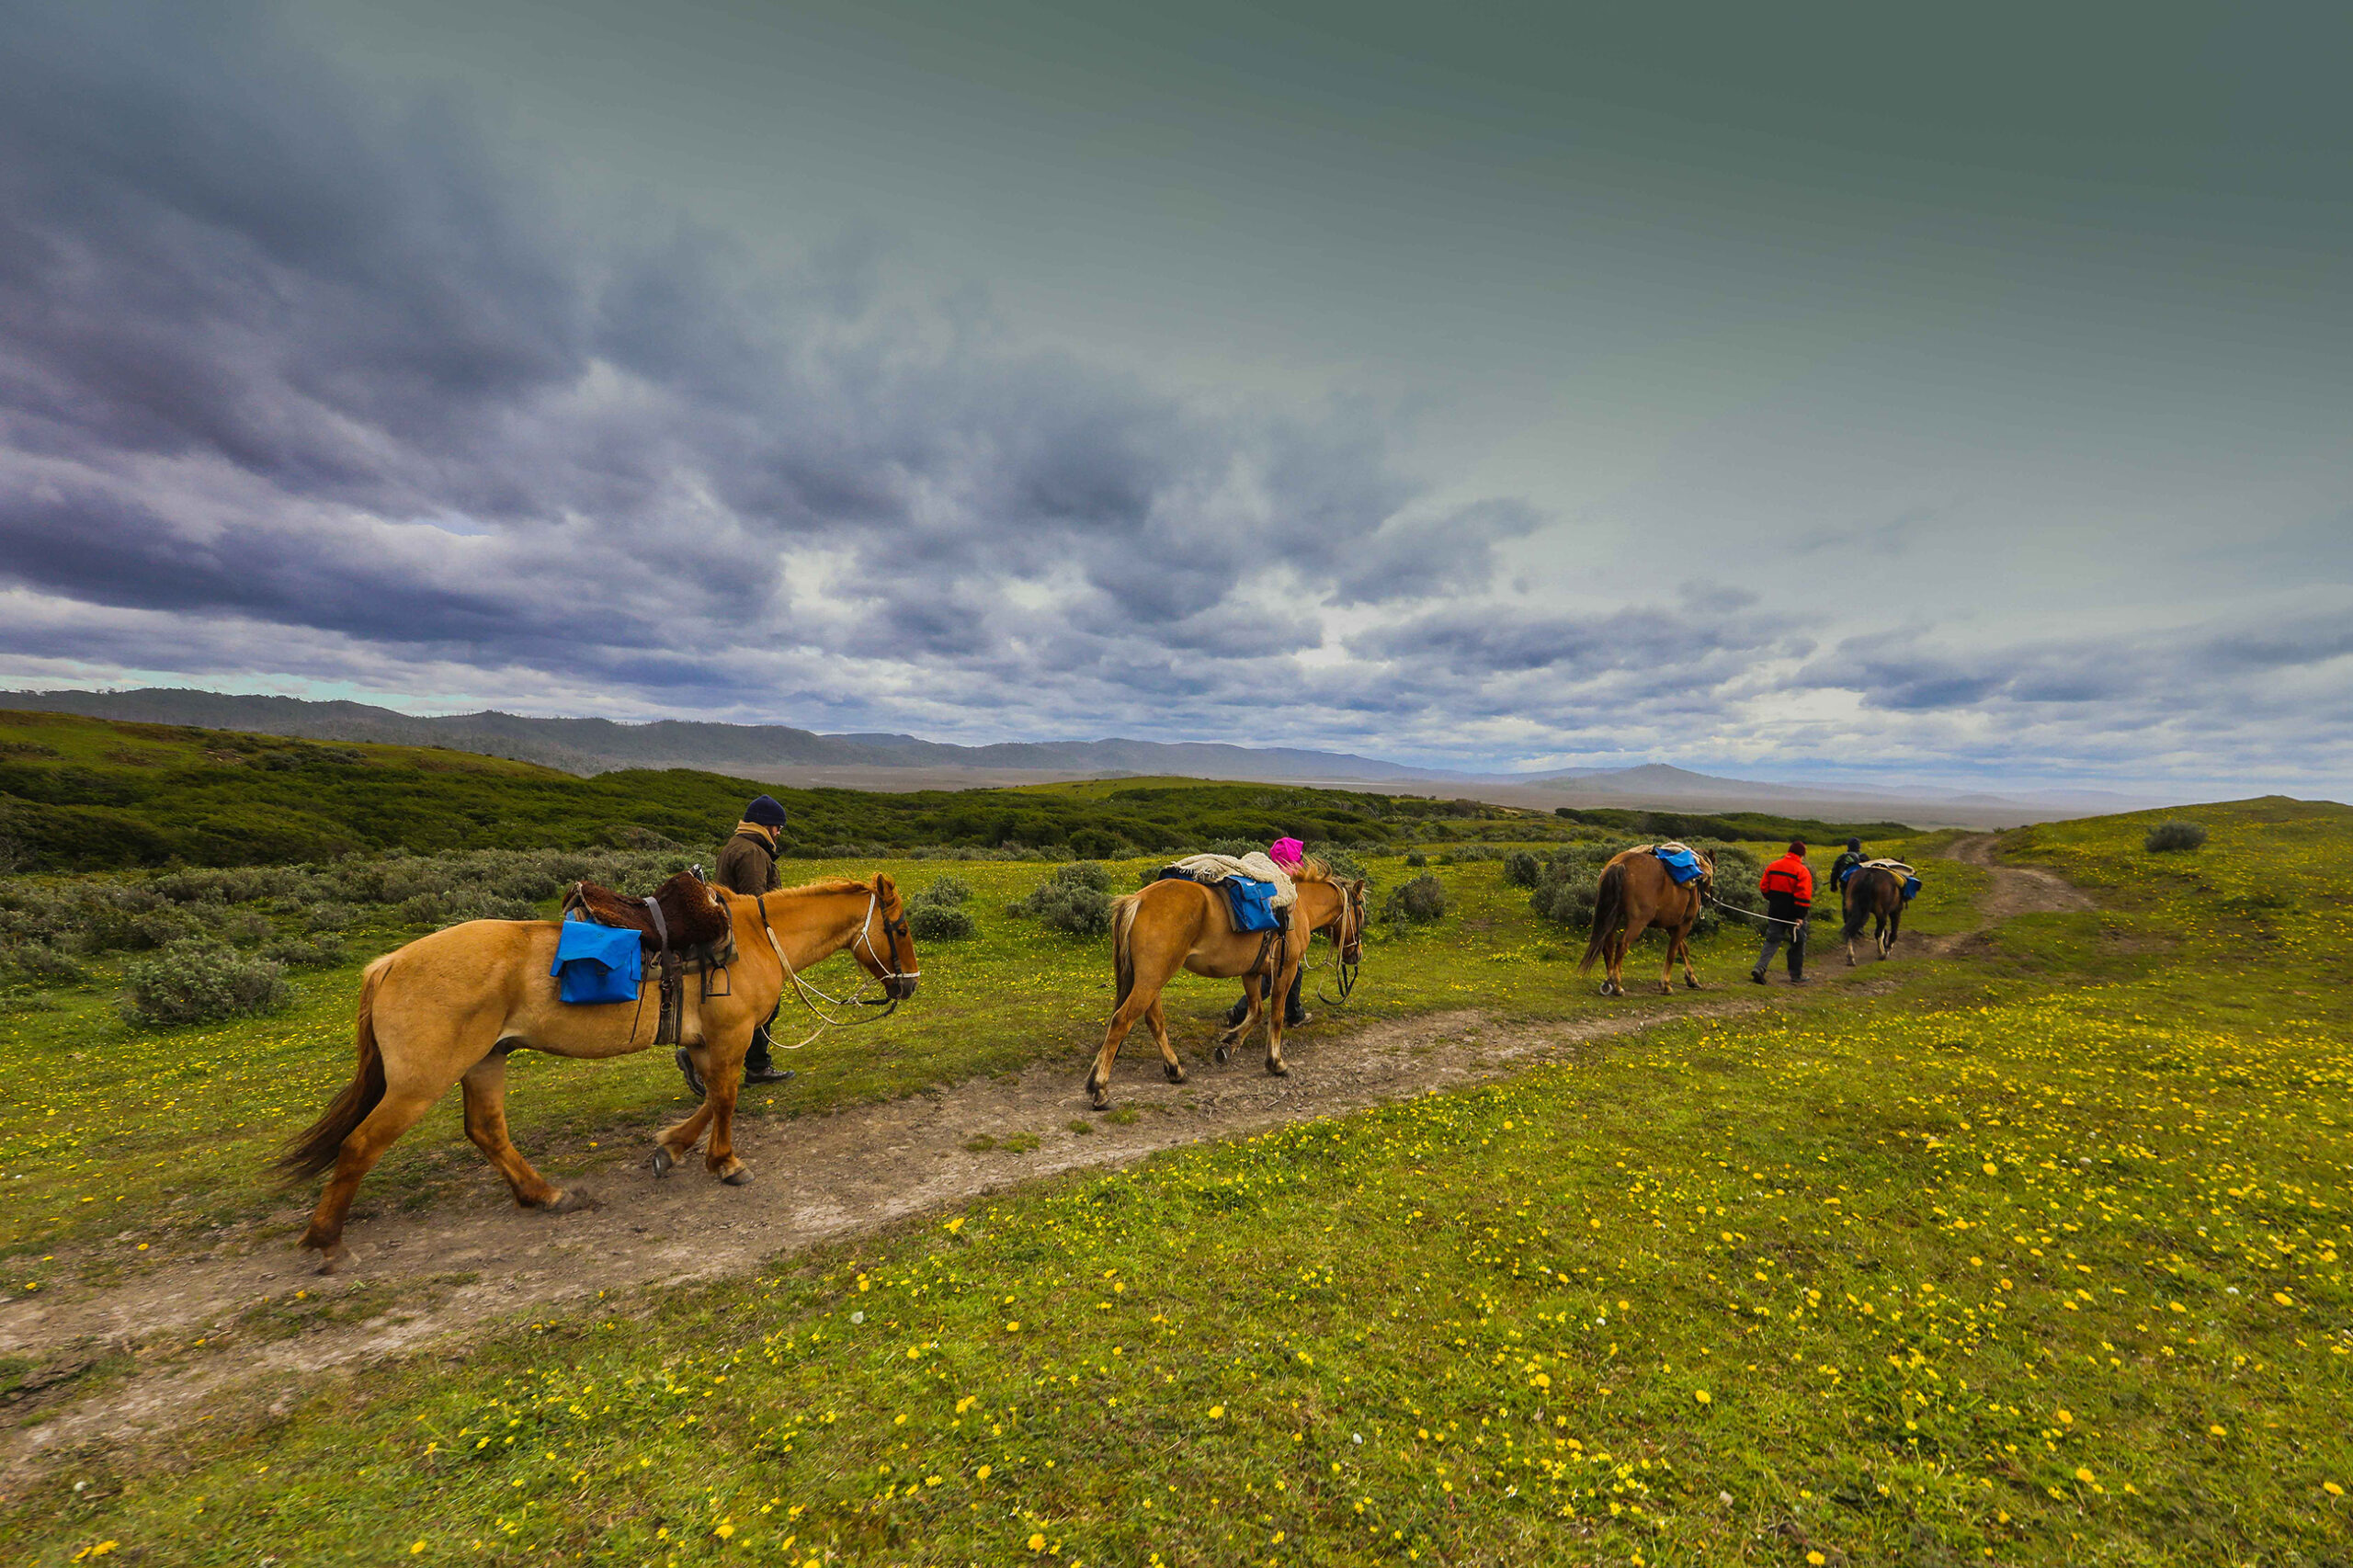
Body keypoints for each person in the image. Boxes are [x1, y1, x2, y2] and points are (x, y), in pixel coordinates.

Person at [679, 794, 795, 1096]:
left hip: (733, 935)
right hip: (747, 939)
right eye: (777, 827)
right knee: (761, 1005)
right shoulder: (753, 853)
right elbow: (757, 903)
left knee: (736, 1009)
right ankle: (754, 1067)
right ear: (765, 826)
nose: (779, 833)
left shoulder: (737, 845)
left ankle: (741, 1061)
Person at [1225, 835, 1312, 1029]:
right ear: (1291, 862)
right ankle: (1245, 1011)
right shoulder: (1285, 881)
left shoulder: (1267, 873)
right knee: (1281, 972)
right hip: (1273, 941)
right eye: (1298, 860)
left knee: (1290, 971)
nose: (1302, 864)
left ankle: (1294, 1012)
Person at [1749, 839, 1814, 985]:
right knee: (1798, 942)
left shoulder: (1773, 866)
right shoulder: (1802, 871)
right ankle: (1796, 976)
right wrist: (1800, 916)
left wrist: (1774, 900)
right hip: (1793, 915)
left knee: (1772, 941)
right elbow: (1803, 896)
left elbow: (1764, 888)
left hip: (1775, 911)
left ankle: (1759, 968)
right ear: (1801, 855)